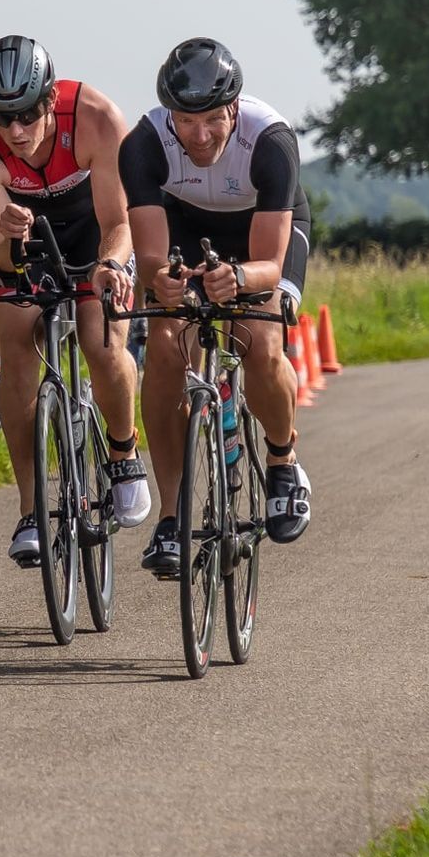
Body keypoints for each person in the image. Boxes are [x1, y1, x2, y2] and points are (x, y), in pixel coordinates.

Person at [0, 35, 151, 562]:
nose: (14, 131)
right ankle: (31, 507)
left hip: (96, 232)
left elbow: (119, 222)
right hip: (26, 239)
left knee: (101, 339)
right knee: (15, 341)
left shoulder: (97, 117)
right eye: (1, 116)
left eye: (25, 115)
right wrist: (13, 236)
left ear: (49, 100)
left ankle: (124, 450)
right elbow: (1, 256)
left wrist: (110, 266)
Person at [120, 36, 313, 576]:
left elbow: (269, 266)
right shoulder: (143, 143)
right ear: (169, 115)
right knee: (162, 348)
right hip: (185, 227)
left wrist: (238, 277)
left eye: (211, 120)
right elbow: (153, 257)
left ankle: (282, 459)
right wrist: (166, 281)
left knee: (260, 338)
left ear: (233, 108)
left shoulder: (270, 140)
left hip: (261, 237)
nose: (199, 136)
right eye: (185, 121)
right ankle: (174, 516)